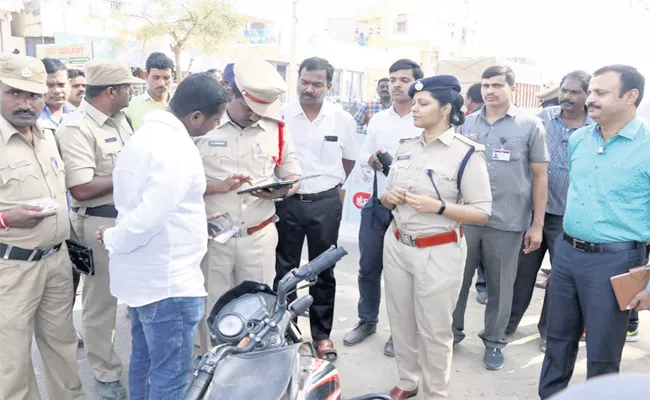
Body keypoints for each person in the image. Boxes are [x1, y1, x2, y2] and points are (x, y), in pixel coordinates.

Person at [96, 72, 230, 400]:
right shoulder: (176, 149)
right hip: (169, 285)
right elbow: (148, 218)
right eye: (215, 120)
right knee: (170, 376)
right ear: (196, 116)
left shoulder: (145, 136)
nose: (216, 126)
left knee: (144, 361)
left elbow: (155, 203)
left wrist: (196, 220)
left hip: (146, 281)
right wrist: (113, 237)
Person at [539, 65, 650, 399]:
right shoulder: (579, 140)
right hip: (568, 254)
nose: (590, 99)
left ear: (630, 97)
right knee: (557, 340)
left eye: (600, 92)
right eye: (592, 92)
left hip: (616, 263)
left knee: (602, 352)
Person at [381, 75, 492, 400]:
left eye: (422, 103)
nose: (413, 108)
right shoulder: (406, 147)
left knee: (434, 329)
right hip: (398, 242)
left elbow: (483, 212)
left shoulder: (466, 153)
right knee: (401, 320)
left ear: (445, 109)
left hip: (438, 250)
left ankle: (436, 393)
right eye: (414, 102)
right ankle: (407, 381)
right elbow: (385, 195)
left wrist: (439, 207)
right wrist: (391, 197)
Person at [193, 57, 302, 354]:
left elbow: (293, 176)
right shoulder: (201, 126)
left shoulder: (277, 129)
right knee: (212, 310)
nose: (256, 116)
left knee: (260, 312)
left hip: (259, 235)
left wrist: (282, 191)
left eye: (262, 110)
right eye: (249, 108)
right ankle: (211, 370)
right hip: (213, 238)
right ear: (231, 93)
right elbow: (180, 182)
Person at [0, 54, 86, 400]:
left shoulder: (49, 133)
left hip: (56, 263)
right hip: (11, 268)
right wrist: (7, 219)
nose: (25, 103)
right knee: (13, 361)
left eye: (33, 95)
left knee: (63, 347)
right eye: (14, 93)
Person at [452, 65, 549, 371]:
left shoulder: (530, 126)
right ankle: (451, 335)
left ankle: (494, 342)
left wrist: (537, 225)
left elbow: (540, 176)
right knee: (456, 281)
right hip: (466, 218)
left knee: (501, 286)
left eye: (496, 85)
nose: (489, 91)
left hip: (508, 221)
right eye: (484, 85)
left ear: (512, 88)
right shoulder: (466, 125)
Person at [58, 60, 138, 400]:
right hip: (99, 222)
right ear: (111, 91)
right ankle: (106, 374)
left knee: (137, 296)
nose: (132, 92)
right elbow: (81, 188)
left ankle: (137, 365)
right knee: (101, 306)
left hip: (131, 221)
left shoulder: (122, 121)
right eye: (127, 88)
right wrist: (134, 176)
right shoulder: (77, 128)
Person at [275, 57, 358, 361]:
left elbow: (347, 161)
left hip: (325, 204)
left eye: (317, 84)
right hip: (288, 204)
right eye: (304, 82)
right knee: (285, 270)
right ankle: (287, 333)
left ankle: (322, 335)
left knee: (323, 270)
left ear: (329, 86)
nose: (309, 89)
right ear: (297, 80)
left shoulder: (341, 119)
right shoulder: (280, 116)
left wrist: (330, 187)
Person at [506, 71, 593, 353]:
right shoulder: (541, 118)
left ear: (587, 96)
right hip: (533, 212)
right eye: (564, 90)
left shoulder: (594, 127)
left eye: (575, 92)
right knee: (521, 272)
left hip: (570, 218)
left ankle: (549, 332)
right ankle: (508, 324)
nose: (567, 96)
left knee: (559, 280)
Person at [343, 59, 423, 356]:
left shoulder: (422, 117)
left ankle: (400, 332)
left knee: (402, 275)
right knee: (368, 268)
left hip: (412, 209)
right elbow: (363, 152)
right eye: (392, 79)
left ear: (416, 83)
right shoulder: (378, 120)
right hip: (377, 204)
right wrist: (371, 159)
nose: (397, 85)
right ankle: (367, 321)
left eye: (404, 79)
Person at [463, 83, 488, 304]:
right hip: (466, 209)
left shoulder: (526, 124)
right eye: (487, 85)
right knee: (464, 266)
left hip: (505, 211)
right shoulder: (467, 123)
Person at [124, 52, 174, 131]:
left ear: (172, 77)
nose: (161, 83)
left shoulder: (181, 105)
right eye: (156, 77)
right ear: (146, 76)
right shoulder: (130, 106)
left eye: (166, 78)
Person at [39, 58, 75, 129]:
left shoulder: (78, 114)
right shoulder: (30, 115)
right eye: (50, 85)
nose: (57, 91)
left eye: (61, 85)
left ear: (69, 84)